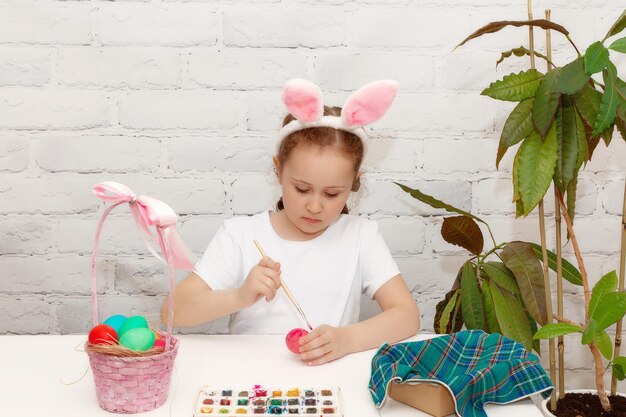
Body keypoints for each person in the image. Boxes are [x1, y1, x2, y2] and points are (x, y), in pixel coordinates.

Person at [161, 79, 420, 365]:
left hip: (329, 380)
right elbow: (173, 311)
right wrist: (240, 296)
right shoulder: (241, 235)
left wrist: (346, 340)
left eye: (333, 193)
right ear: (278, 171)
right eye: (302, 189)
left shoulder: (361, 236)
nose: (314, 205)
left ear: (353, 184)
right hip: (250, 380)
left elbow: (407, 316)